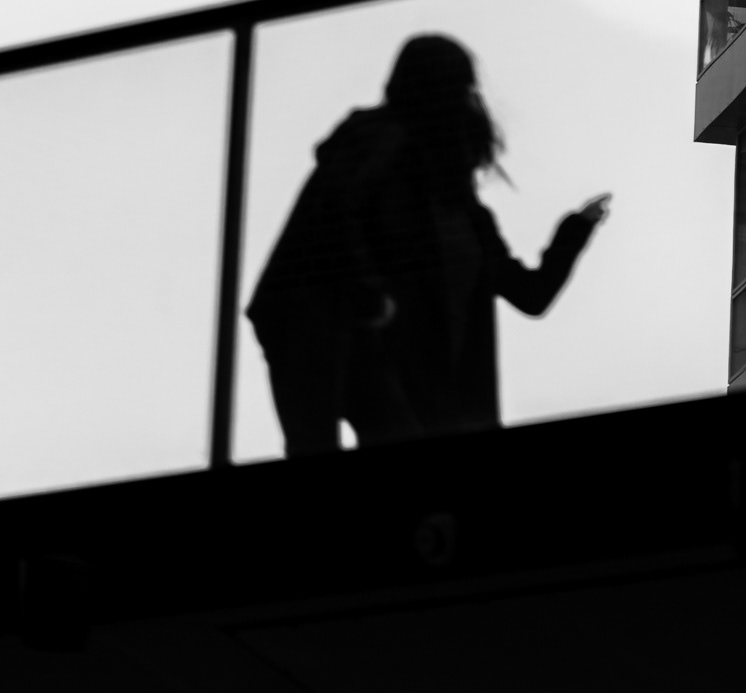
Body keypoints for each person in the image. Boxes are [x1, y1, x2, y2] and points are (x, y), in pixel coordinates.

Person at [246, 33, 610, 455]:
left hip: (396, 368)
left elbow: (530, 295)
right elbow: (337, 217)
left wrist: (577, 229)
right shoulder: (379, 143)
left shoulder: (464, 214)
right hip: (323, 332)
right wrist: (371, 297)